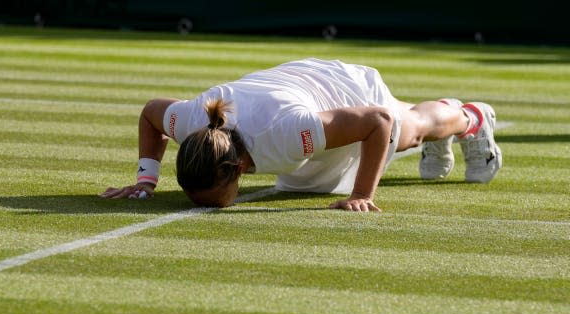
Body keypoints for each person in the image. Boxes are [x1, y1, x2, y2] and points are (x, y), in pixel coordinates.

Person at [101, 58, 502, 212]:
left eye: (208, 200)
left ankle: (471, 118)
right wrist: (145, 181)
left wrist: (362, 194)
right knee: (306, 181)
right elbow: (152, 112)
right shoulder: (190, 120)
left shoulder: (287, 134)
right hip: (293, 90)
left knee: (407, 129)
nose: (199, 205)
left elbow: (376, 120)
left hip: (343, 88)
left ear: (238, 168)